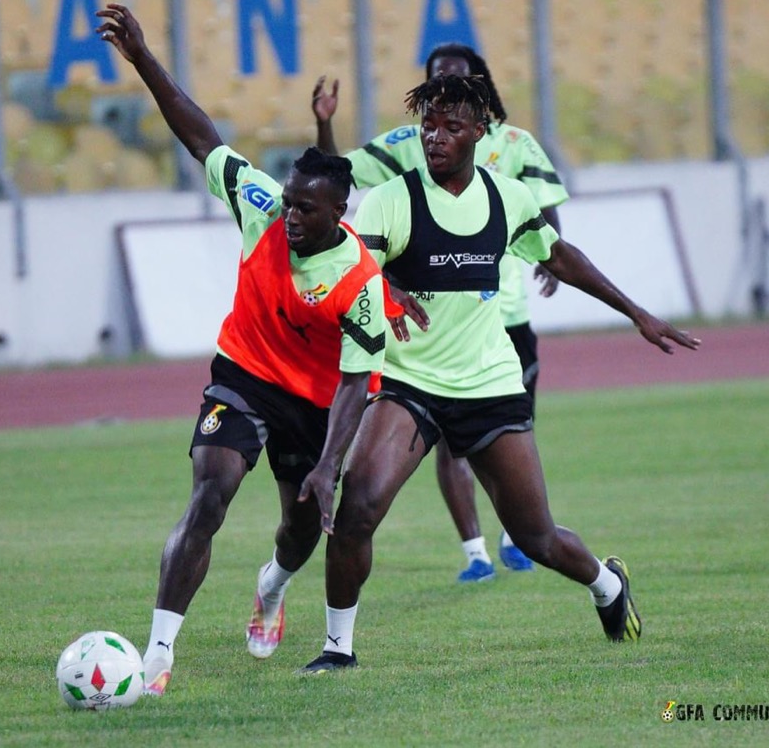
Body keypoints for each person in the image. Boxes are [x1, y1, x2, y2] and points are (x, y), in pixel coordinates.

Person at [299, 74, 700, 673]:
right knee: (357, 509)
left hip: (490, 387)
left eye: (451, 127)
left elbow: (559, 257)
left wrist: (636, 312)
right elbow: (357, 266)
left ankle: (607, 585)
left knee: (536, 538)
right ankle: (338, 650)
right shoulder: (391, 200)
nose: (434, 137)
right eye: (427, 125)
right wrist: (390, 288)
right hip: (410, 386)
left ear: (480, 134)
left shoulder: (508, 198)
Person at [96, 3, 388, 695]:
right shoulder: (261, 206)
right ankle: (158, 655)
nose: (289, 215)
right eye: (288, 201)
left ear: (338, 215)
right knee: (210, 495)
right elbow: (202, 135)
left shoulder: (360, 283)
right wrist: (142, 60)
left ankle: (272, 586)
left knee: (298, 532)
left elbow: (355, 384)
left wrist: (328, 465)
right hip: (243, 377)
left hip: (316, 405)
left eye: (306, 210)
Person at [312, 43, 567, 583]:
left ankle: (516, 535)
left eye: (457, 78)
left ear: (479, 89)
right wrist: (325, 127)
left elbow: (545, 214)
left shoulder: (514, 144)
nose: (436, 133)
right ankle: (475, 549)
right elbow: (339, 176)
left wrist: (552, 259)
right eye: (436, 80)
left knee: (503, 448)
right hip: (421, 333)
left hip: (503, 320)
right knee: (448, 445)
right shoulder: (409, 146)